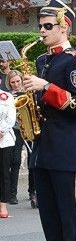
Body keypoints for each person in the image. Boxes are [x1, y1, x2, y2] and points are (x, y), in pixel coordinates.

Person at [21, 0, 76, 241]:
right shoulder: (42, 61)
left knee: (69, 218)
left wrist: (45, 88)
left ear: (64, 27)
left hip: (66, 150)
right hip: (43, 148)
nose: (42, 31)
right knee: (50, 218)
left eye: (48, 26)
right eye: (40, 26)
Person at [5, 71, 25, 204]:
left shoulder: (28, 92)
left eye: (18, 81)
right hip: (14, 129)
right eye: (13, 82)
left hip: (26, 128)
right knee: (15, 161)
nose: (16, 85)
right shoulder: (6, 96)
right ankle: (12, 193)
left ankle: (33, 192)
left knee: (32, 161)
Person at [0, 86, 14, 217]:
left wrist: (1, 130)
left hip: (4, 140)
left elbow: (11, 117)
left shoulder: (7, 97)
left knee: (4, 172)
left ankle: (3, 205)